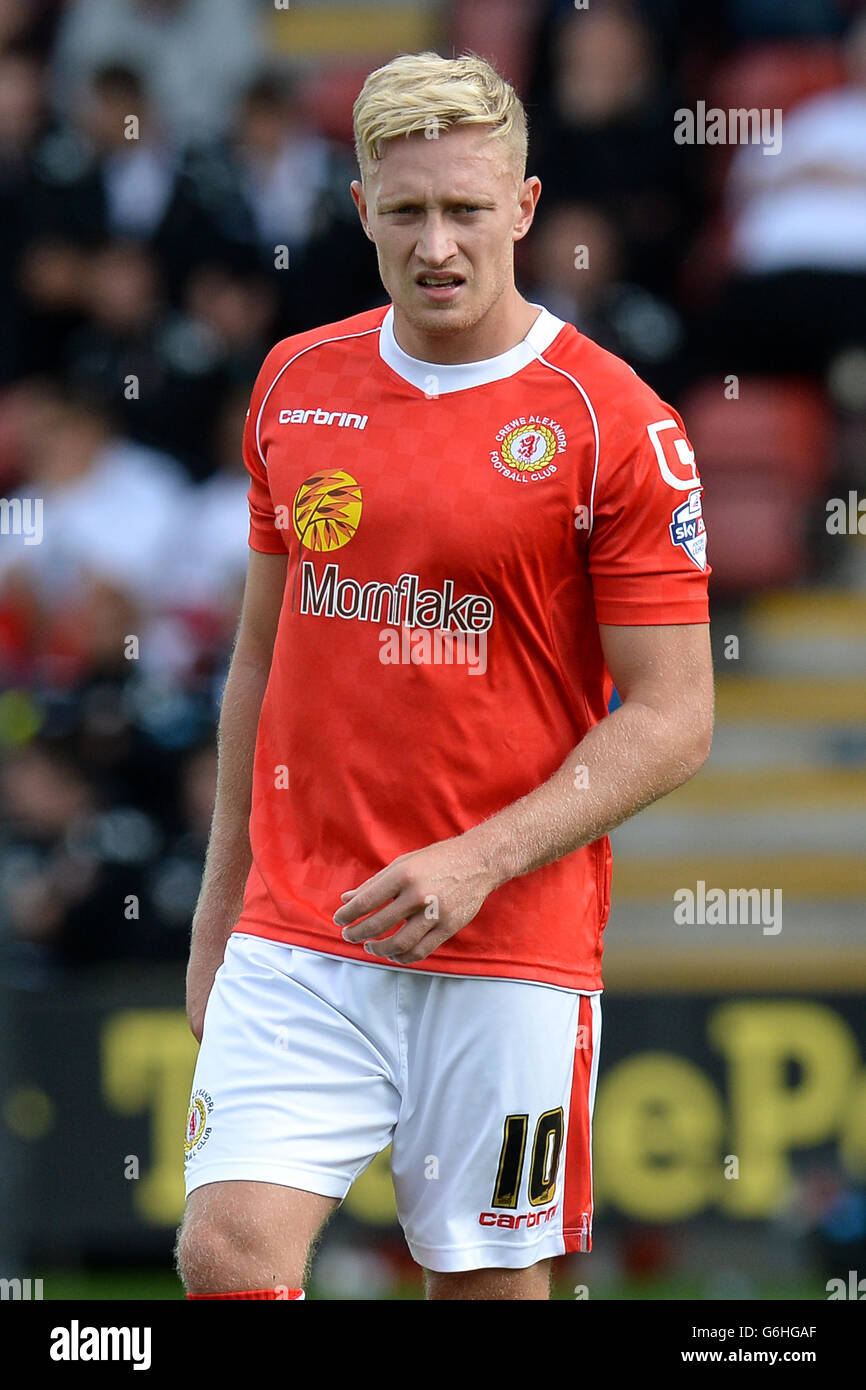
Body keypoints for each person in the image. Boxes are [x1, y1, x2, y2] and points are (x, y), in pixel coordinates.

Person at [176, 51, 714, 1303]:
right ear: (360, 209)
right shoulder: (295, 385)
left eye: (466, 209)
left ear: (521, 208)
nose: (436, 244)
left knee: (474, 1286)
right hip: (301, 924)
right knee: (225, 1252)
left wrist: (477, 858)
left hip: (506, 940)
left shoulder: (611, 422)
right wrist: (220, 909)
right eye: (405, 210)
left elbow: (677, 717)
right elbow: (263, 656)